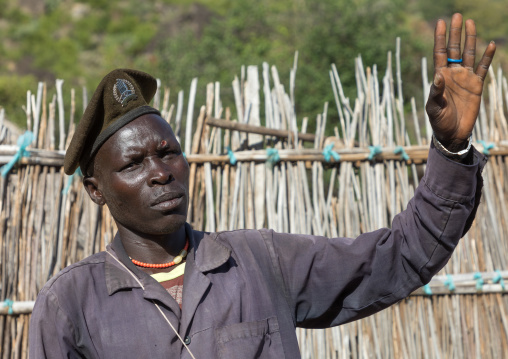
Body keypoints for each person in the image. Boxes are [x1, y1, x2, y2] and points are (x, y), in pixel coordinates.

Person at [29, 14, 496, 358]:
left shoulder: (259, 261)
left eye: (168, 152)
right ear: (96, 189)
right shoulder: (69, 305)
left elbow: (400, 257)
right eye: (133, 163)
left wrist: (451, 150)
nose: (159, 171)